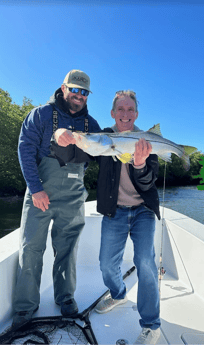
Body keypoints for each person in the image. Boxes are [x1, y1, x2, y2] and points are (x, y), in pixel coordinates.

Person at [53, 90, 161, 344]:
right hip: (115, 210)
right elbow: (72, 155)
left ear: (136, 114)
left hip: (143, 209)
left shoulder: (147, 141)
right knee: (105, 264)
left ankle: (151, 325)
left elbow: (148, 183)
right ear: (112, 113)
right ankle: (118, 293)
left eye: (130, 110)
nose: (125, 114)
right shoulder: (102, 138)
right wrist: (60, 138)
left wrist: (139, 164)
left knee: (145, 262)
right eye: (120, 110)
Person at [12, 69, 101, 329]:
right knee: (31, 249)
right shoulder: (40, 114)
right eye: (74, 89)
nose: (79, 96)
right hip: (41, 193)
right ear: (63, 88)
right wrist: (36, 188)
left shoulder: (91, 125)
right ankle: (25, 307)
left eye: (84, 92)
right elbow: (25, 150)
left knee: (68, 250)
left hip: (74, 196)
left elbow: (105, 153)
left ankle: (65, 298)